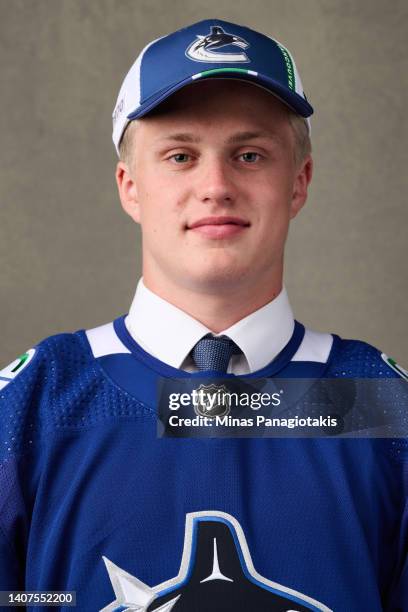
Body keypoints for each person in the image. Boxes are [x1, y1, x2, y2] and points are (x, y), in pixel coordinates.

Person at [0, 18, 407, 612]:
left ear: (299, 183)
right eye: (180, 155)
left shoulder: (378, 405)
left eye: (249, 154)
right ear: (130, 186)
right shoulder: (32, 403)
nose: (215, 186)